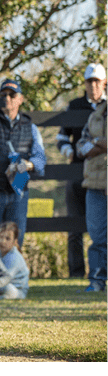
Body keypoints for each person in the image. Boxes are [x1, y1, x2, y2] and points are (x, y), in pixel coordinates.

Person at [0, 78, 46, 248]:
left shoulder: (30, 126)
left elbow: (41, 159)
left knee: (14, 244)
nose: (8, 98)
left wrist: (28, 165)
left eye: (12, 95)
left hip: (18, 192)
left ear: (20, 99)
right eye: (3, 94)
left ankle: (12, 275)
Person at [56, 63, 107, 278]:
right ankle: (76, 272)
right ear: (85, 83)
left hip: (103, 174)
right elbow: (61, 137)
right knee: (75, 227)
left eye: (97, 81)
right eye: (89, 81)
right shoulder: (75, 105)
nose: (93, 85)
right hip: (77, 171)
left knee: (101, 229)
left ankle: (100, 274)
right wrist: (69, 151)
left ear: (104, 83)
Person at [75, 90, 107, 293]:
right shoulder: (97, 113)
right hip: (95, 184)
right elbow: (80, 145)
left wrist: (98, 144)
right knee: (97, 237)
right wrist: (99, 144)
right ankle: (96, 281)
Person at [0, 221, 29, 300]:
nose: (3, 241)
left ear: (15, 241)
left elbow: (6, 279)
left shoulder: (14, 257)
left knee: (8, 289)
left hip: (16, 289)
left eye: (7, 238)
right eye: (0, 237)